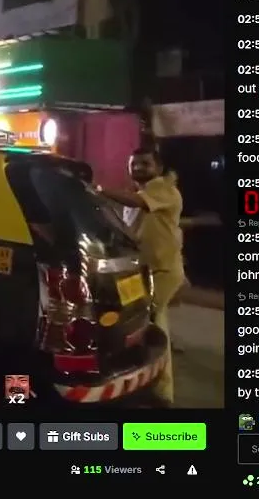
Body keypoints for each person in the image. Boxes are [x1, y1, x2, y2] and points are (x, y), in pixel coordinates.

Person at [98, 147, 185, 406]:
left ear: (159, 168)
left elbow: (135, 202)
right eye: (133, 164)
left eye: (144, 163)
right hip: (144, 271)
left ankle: (161, 391)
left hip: (161, 271)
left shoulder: (163, 189)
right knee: (153, 324)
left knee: (151, 326)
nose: (137, 168)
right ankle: (158, 388)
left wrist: (98, 190)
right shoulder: (141, 194)